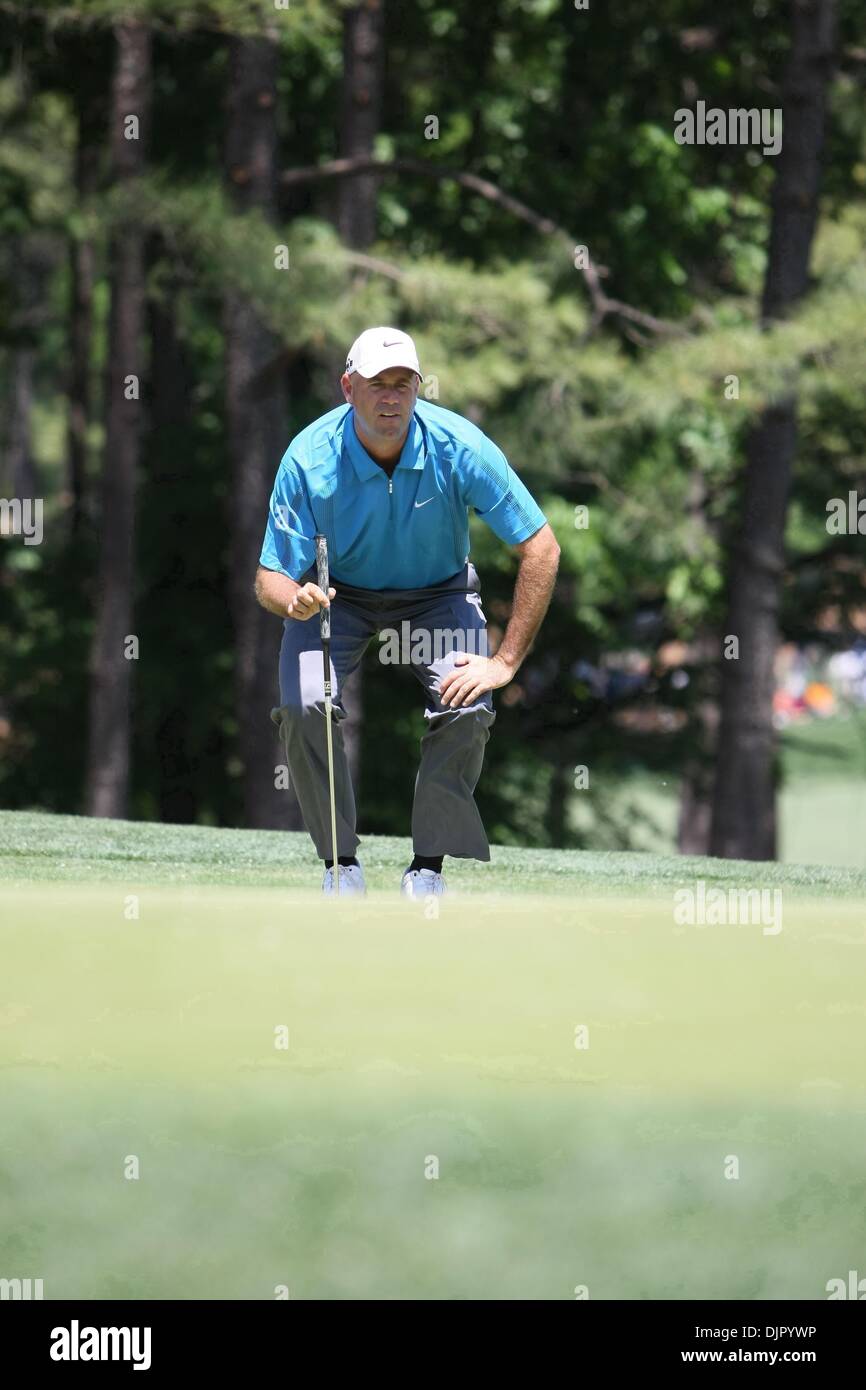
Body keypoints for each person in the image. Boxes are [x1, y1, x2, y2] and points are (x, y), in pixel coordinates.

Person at [255, 327, 560, 897]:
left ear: (419, 388)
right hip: (334, 596)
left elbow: (541, 547)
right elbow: (269, 577)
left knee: (468, 704)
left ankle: (427, 870)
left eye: (404, 384)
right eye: (377, 384)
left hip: (437, 595)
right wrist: (292, 600)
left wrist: (506, 661)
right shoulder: (308, 456)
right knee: (304, 704)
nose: (391, 397)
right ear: (349, 387)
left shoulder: (459, 446)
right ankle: (340, 865)